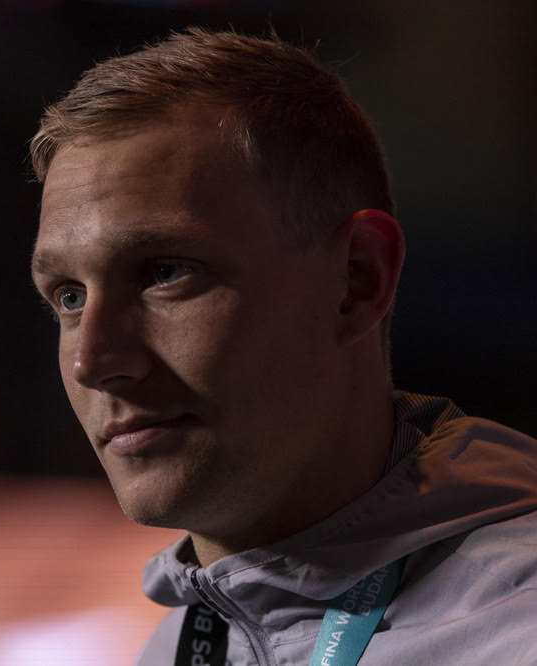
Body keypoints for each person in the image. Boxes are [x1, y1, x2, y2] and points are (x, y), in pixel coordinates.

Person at [28, 28, 537, 665]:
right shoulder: (185, 640)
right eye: (69, 296)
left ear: (358, 280)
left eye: (165, 273)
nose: (93, 360)